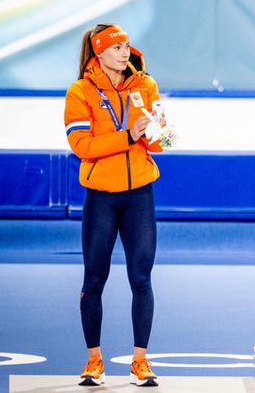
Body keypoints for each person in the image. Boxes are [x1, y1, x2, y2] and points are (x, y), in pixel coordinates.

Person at [64, 23, 165, 387]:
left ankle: (141, 361)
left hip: (139, 194)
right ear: (100, 53)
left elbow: (159, 143)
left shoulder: (146, 85)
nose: (125, 52)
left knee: (141, 278)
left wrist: (159, 133)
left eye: (126, 46)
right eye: (117, 47)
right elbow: (83, 146)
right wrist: (128, 135)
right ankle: (94, 360)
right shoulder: (80, 92)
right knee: (94, 279)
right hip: (101, 198)